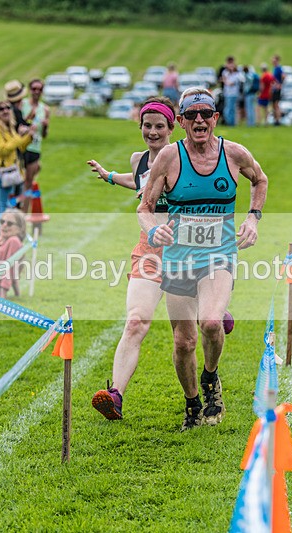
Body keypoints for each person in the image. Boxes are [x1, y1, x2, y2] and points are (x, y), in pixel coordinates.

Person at [138, 88, 268, 430]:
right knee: (184, 341)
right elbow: (145, 207)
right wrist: (153, 231)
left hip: (219, 255)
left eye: (205, 113)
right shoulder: (168, 158)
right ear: (180, 121)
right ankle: (192, 403)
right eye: (191, 115)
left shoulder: (235, 154)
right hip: (179, 258)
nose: (199, 120)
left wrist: (253, 217)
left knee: (211, 322)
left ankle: (210, 379)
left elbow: (260, 179)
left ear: (215, 118)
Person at [86, 97, 177, 420]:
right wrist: (110, 176)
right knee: (137, 320)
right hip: (149, 247)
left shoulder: (181, 158)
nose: (153, 132)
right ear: (140, 126)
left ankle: (218, 311)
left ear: (172, 127)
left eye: (159, 127)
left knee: (194, 330)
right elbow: (138, 181)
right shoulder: (139, 159)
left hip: (185, 249)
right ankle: (116, 396)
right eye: (147, 126)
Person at [0, 100, 34, 245]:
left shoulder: (7, 127)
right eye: (1, 109)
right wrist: (19, 135)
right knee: (3, 206)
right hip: (1, 171)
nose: (5, 111)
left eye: (7, 108)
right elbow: (3, 150)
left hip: (10, 170)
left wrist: (28, 136)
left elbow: (19, 148)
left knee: (0, 205)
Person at [21, 78, 50, 203]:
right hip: (21, 146)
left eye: (40, 89)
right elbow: (18, 125)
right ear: (29, 90)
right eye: (34, 89)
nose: (37, 92)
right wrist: (29, 118)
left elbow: (44, 135)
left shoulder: (45, 109)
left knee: (29, 182)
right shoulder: (23, 104)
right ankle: (14, 210)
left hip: (35, 147)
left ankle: (24, 213)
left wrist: (46, 126)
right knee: (18, 181)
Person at [271, 55, 283, 125]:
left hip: (277, 89)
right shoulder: (275, 68)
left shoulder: (278, 68)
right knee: (274, 105)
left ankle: (278, 120)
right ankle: (275, 119)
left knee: (276, 105)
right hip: (274, 89)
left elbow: (283, 76)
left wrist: (280, 84)